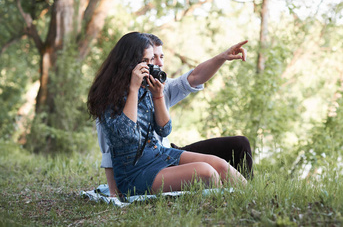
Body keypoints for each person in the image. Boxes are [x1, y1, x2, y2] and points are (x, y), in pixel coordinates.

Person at [88, 32, 248, 195]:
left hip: (158, 153)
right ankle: (222, 203)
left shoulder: (148, 87)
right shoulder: (109, 96)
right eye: (146, 61)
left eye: (152, 60)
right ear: (129, 62)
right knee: (206, 172)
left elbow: (164, 131)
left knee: (219, 165)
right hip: (133, 172)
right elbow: (127, 136)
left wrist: (158, 96)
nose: (152, 66)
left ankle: (252, 197)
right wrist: (133, 89)